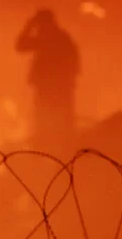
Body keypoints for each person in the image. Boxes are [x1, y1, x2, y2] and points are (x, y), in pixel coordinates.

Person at [15, 9, 80, 144]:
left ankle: (51, 147)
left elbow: (20, 45)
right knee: (53, 119)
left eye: (39, 25)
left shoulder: (51, 38)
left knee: (50, 118)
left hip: (52, 87)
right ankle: (55, 146)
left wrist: (28, 27)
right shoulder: (60, 37)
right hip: (57, 87)